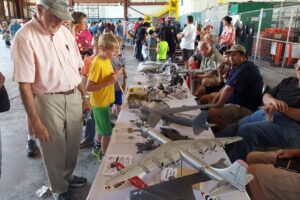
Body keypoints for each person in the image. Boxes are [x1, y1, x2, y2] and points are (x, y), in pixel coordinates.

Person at [11, 1, 89, 199]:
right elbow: (24, 84)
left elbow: (74, 68)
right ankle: (59, 188)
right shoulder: (25, 37)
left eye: (63, 18)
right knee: (53, 148)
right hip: (48, 100)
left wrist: (84, 95)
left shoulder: (64, 32)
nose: (59, 22)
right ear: (39, 9)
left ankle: (68, 177)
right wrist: (35, 121)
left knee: (72, 144)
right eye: (54, 16)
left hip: (73, 95)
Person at [216, 59, 300, 161]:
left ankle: (233, 170)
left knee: (247, 131)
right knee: (235, 127)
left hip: (291, 126)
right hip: (266, 113)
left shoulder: (247, 67)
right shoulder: (289, 81)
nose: (298, 69)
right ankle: (209, 155)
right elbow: (266, 96)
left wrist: (280, 108)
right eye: (297, 65)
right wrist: (273, 101)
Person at [208, 44, 263, 130]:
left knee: (212, 112)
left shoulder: (247, 67)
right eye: (230, 55)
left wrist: (218, 105)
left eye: (234, 55)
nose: (230, 58)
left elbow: (228, 89)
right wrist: (215, 100)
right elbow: (225, 86)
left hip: (244, 107)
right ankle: (214, 127)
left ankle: (225, 134)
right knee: (211, 97)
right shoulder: (236, 67)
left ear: (243, 56)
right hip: (236, 101)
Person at [85, 33, 121, 161]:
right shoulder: (97, 63)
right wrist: (110, 81)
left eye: (116, 49)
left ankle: (97, 147)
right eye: (112, 50)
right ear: (102, 48)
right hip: (100, 103)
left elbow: (109, 77)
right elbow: (88, 87)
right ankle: (105, 158)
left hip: (106, 100)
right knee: (107, 133)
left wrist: (116, 74)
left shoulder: (107, 60)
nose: (115, 52)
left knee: (101, 129)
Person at [79, 36, 102, 149]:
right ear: (93, 47)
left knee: (101, 118)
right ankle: (89, 139)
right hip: (91, 93)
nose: (98, 50)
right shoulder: (88, 61)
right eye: (96, 47)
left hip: (102, 94)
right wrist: (84, 96)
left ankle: (99, 141)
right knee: (90, 116)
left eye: (100, 48)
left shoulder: (106, 60)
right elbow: (83, 78)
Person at [111, 36, 127, 120]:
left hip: (119, 86)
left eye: (119, 47)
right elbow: (114, 74)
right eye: (116, 48)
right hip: (113, 87)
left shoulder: (121, 58)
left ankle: (117, 116)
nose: (118, 50)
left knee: (118, 104)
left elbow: (125, 74)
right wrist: (120, 70)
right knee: (116, 105)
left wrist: (125, 81)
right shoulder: (109, 60)